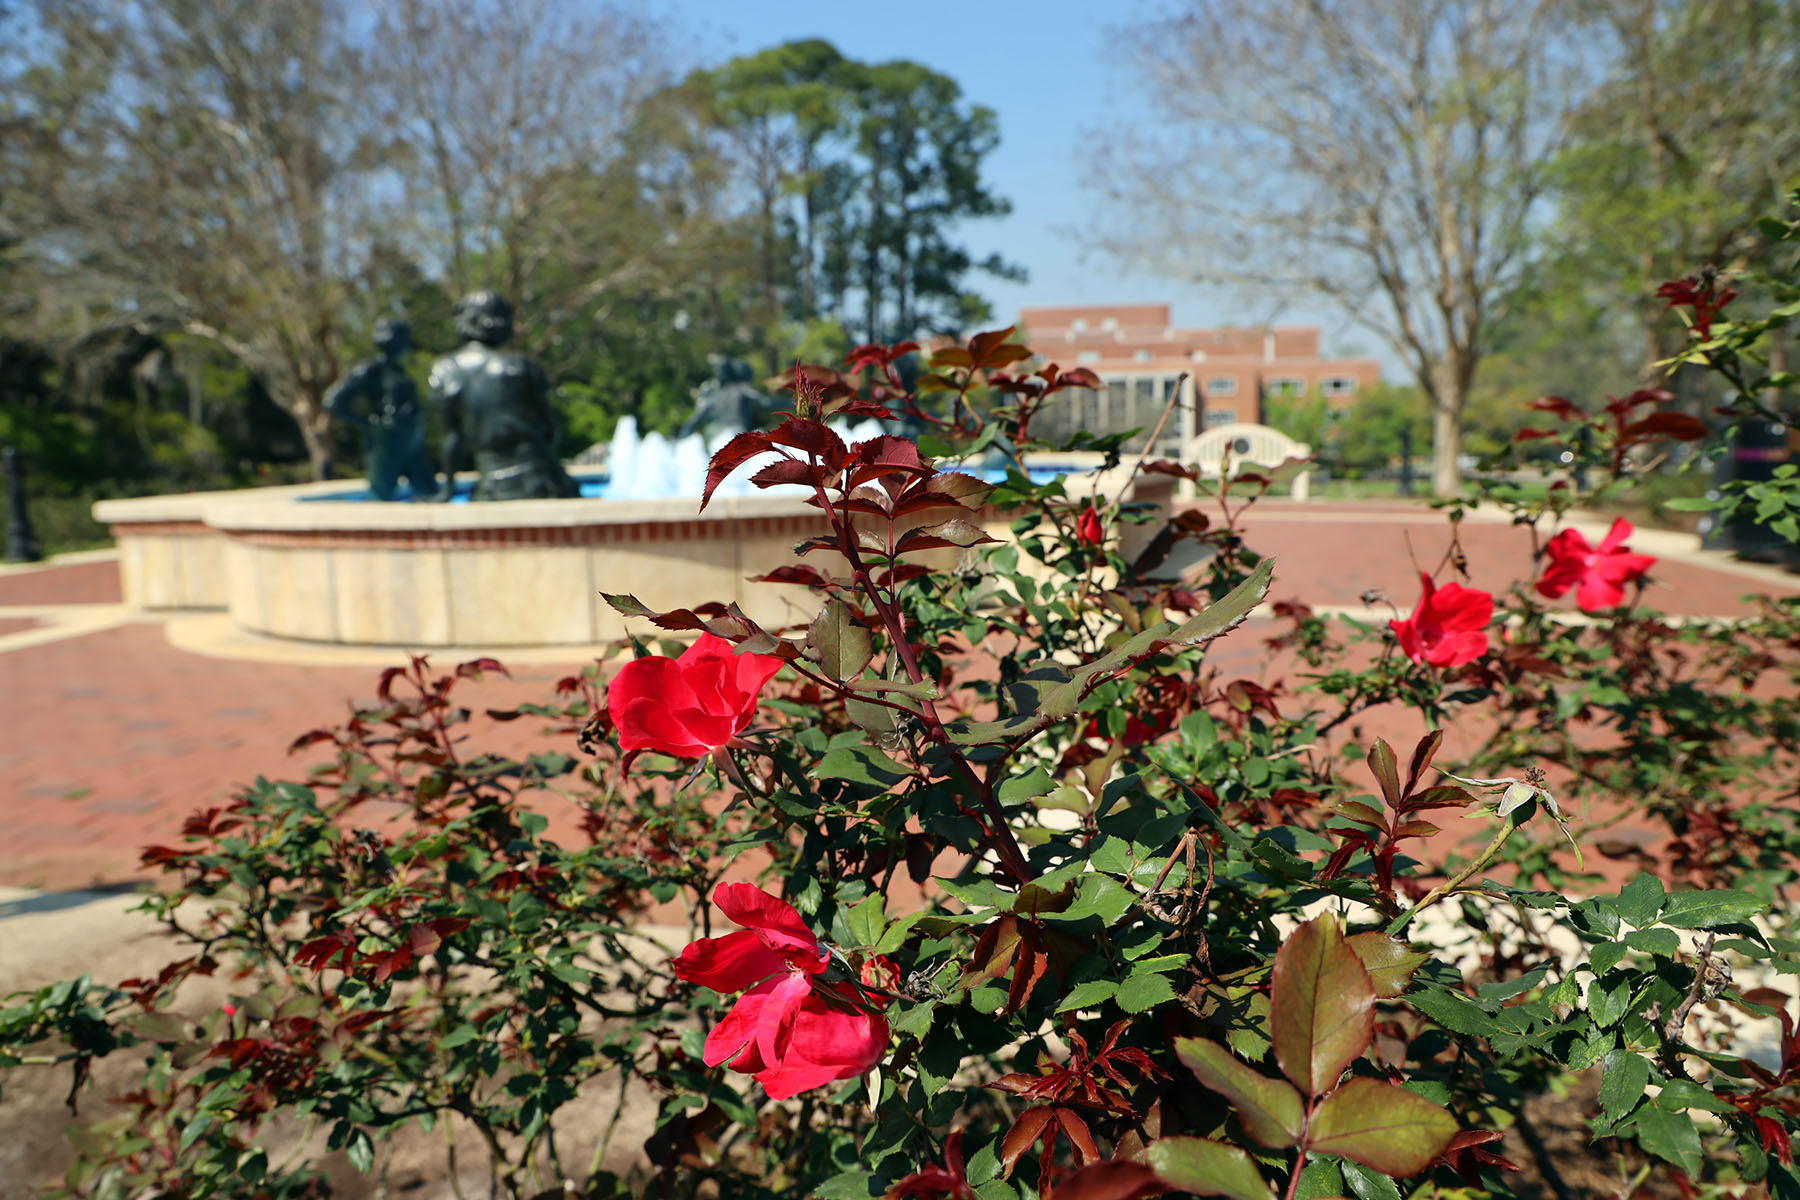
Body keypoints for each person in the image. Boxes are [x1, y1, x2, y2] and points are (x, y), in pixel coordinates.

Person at [428, 292, 578, 501]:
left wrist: (448, 490)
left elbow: (452, 440)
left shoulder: (446, 370)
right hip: (543, 476)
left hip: (493, 484)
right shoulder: (525, 366)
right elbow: (551, 430)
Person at [324, 318, 441, 501]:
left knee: (429, 492)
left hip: (412, 441)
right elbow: (333, 401)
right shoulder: (371, 369)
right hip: (387, 442)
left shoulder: (399, 369)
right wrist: (368, 423)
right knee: (381, 496)